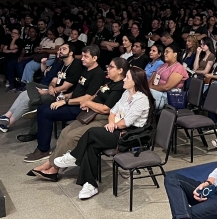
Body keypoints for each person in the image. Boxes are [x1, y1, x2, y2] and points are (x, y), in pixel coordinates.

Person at [51, 66, 153, 197]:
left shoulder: (141, 99)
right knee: (91, 146)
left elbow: (126, 122)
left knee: (92, 132)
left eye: (127, 77)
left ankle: (75, 157)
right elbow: (113, 111)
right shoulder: (126, 93)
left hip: (130, 135)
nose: (124, 80)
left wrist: (115, 125)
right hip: (116, 126)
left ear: (135, 81)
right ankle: (90, 184)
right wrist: (111, 122)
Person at [27, 58, 127, 180]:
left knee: (72, 136)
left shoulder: (120, 87)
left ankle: (52, 167)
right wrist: (88, 102)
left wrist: (88, 103)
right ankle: (53, 165)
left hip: (104, 119)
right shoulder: (109, 82)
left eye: (111, 67)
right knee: (64, 132)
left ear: (120, 70)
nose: (108, 68)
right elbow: (96, 95)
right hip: (90, 114)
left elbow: (106, 109)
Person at [24, 45, 106, 163]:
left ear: (95, 58)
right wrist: (66, 96)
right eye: (82, 55)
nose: (82, 58)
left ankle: (43, 150)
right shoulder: (86, 70)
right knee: (42, 108)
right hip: (73, 102)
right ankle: (42, 148)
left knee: (46, 113)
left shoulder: (97, 74)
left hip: (82, 108)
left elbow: (87, 98)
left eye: (86, 56)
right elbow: (78, 91)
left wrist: (65, 101)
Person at [0, 43, 78, 135]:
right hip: (52, 89)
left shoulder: (75, 65)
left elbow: (66, 87)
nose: (60, 51)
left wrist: (47, 91)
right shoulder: (63, 64)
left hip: (60, 95)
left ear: (71, 53)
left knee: (28, 97)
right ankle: (6, 116)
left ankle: (7, 124)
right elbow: (54, 80)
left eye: (63, 49)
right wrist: (51, 86)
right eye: (59, 49)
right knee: (26, 90)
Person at [148, 43, 189, 109]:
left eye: (167, 52)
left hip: (169, 96)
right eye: (164, 52)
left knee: (144, 94)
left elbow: (167, 87)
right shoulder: (163, 65)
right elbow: (153, 78)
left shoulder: (179, 68)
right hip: (156, 92)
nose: (165, 54)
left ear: (175, 54)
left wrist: (151, 88)